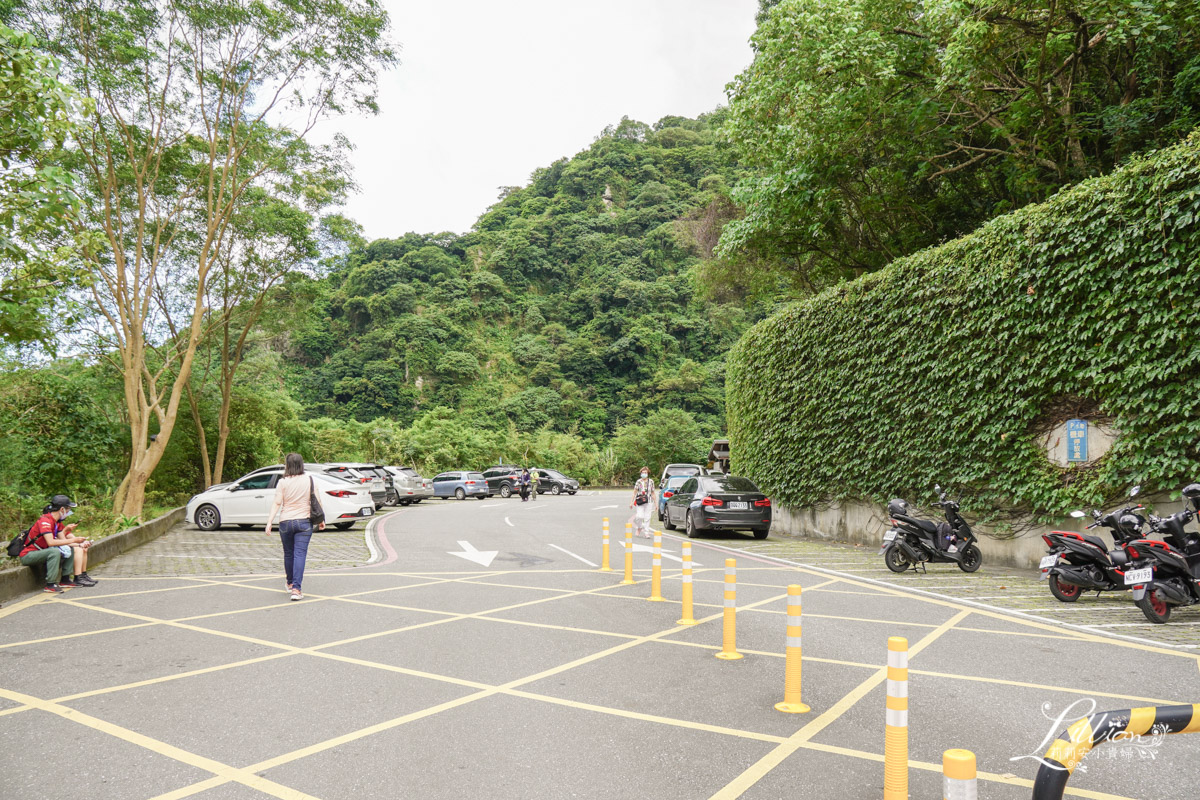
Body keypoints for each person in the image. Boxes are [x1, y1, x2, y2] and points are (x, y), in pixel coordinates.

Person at [265, 453, 325, 600]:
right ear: (301, 464)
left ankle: (290, 583)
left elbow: (277, 503)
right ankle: (296, 590)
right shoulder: (310, 480)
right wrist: (322, 520)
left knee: (288, 553)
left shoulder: (283, 482)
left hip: (285, 522)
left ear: (288, 465)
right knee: (300, 554)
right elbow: (317, 501)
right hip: (304, 522)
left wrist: (269, 522)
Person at [19, 495, 95, 592]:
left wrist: (80, 544)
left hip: (42, 552)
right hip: (28, 555)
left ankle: (65, 580)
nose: (68, 512)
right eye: (68, 509)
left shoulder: (56, 523)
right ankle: (50, 584)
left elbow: (64, 542)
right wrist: (74, 540)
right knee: (54, 551)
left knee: (68, 548)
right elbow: (51, 542)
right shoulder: (45, 521)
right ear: (62, 509)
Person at [630, 467, 656, 539]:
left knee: (647, 517)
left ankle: (646, 532)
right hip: (640, 501)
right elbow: (634, 492)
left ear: (648, 474)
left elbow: (653, 493)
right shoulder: (638, 482)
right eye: (642, 473)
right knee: (639, 516)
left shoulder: (651, 482)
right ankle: (639, 527)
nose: (644, 474)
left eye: (645, 473)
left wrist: (656, 504)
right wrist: (631, 502)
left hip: (649, 501)